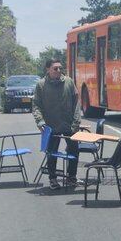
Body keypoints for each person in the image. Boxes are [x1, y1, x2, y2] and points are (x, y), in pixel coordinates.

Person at [32, 58, 82, 190]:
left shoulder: (69, 82)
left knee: (74, 151)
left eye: (60, 68)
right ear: (48, 69)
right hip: (51, 125)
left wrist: (76, 120)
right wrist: (40, 121)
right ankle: (53, 178)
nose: (59, 70)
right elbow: (36, 105)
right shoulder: (41, 85)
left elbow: (77, 102)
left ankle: (72, 177)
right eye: (55, 68)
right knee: (51, 152)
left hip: (69, 125)